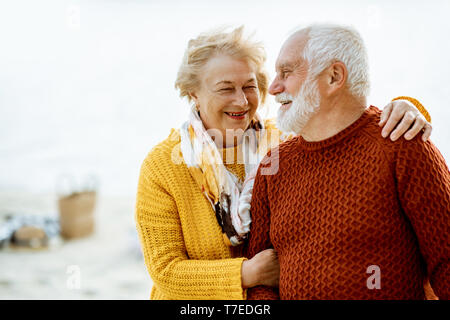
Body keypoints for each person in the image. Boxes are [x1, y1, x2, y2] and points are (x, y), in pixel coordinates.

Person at [134, 26, 433, 300]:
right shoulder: (163, 165)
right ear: (193, 94)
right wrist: (246, 273)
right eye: (226, 88)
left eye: (249, 86)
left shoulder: (284, 140)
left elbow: (347, 121)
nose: (241, 101)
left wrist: (406, 108)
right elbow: (166, 270)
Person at [246, 24, 449, 300]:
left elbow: (446, 262)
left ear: (334, 76)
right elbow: (261, 285)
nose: (273, 87)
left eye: (286, 72)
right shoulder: (274, 166)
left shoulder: (404, 145)